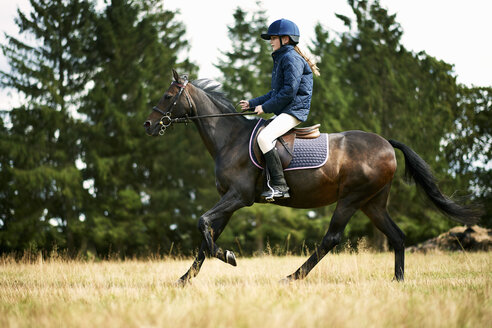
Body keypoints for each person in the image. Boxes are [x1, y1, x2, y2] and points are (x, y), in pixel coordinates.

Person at [240, 18, 320, 202]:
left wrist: (265, 108)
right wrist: (252, 103)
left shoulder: (290, 58)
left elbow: (289, 92)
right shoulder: (283, 58)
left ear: (286, 39)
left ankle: (280, 186)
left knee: (264, 137)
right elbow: (275, 92)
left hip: (294, 111)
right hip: (287, 109)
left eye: (273, 38)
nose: (270, 41)